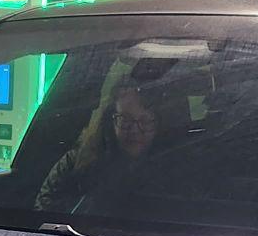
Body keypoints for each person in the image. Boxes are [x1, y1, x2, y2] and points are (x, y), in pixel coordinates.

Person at [35, 78, 176, 211]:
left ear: (158, 124)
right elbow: (44, 212)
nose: (134, 130)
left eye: (145, 121)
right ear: (110, 121)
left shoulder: (176, 169)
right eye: (125, 119)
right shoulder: (77, 161)